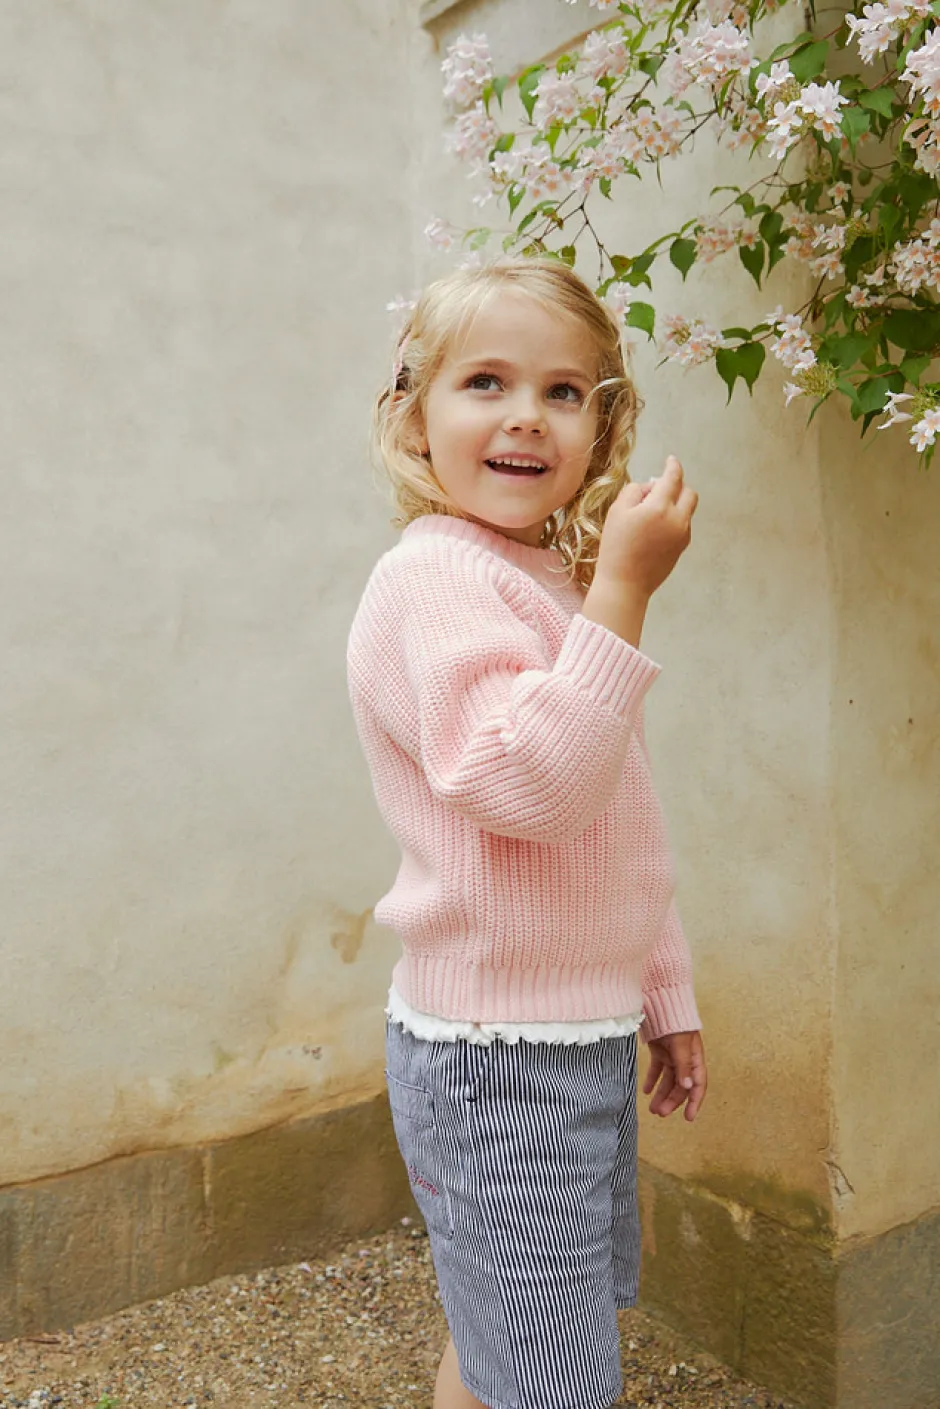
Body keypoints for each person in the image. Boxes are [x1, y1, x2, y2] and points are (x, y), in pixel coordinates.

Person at [347, 258, 707, 1409]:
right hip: (496, 1060)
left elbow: (611, 808)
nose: (525, 415)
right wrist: (624, 595)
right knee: (549, 1373)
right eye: (485, 382)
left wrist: (660, 987)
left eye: (562, 391)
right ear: (415, 414)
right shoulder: (433, 581)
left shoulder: (546, 578)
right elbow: (530, 786)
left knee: (517, 1332)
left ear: (602, 429)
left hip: (565, 1036)